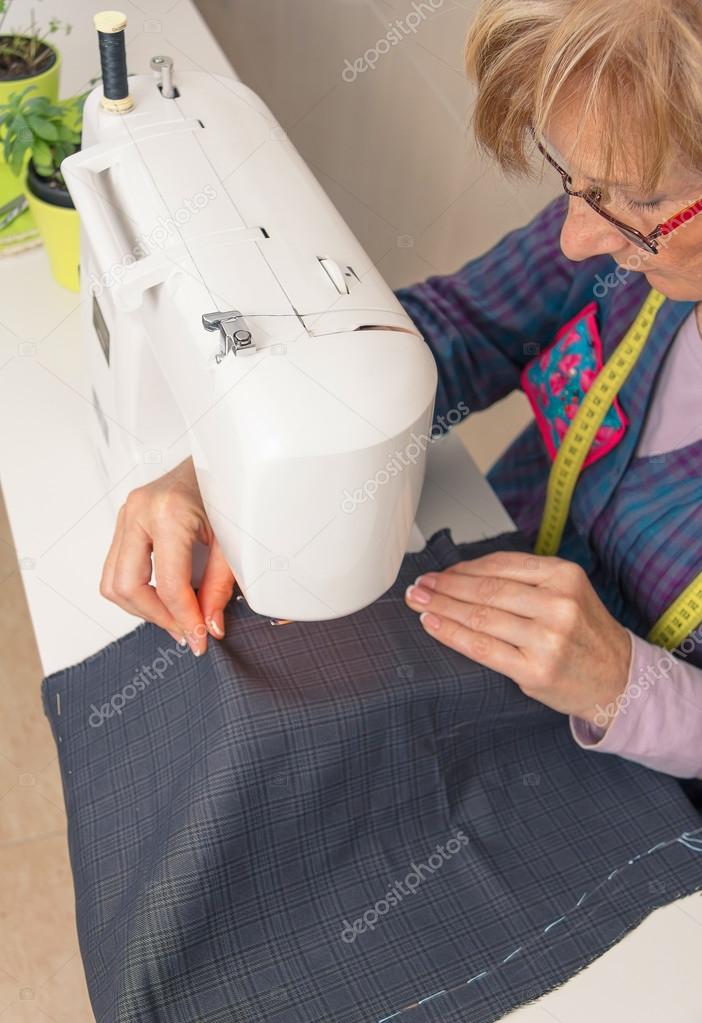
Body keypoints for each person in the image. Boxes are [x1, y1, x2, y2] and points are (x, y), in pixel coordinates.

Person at [99, 0, 702, 780]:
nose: (576, 237)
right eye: (574, 183)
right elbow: (461, 325)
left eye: (641, 202)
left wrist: (628, 686)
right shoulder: (620, 246)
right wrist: (235, 453)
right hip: (497, 577)